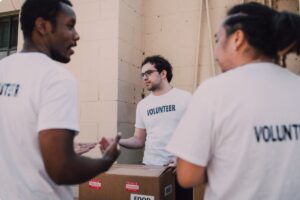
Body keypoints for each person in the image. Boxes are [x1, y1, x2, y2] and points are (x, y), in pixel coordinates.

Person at [166, 2, 300, 200]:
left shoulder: (214, 91)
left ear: (237, 38)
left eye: (218, 39)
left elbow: (187, 177)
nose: (216, 51)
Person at [0, 0, 120, 200]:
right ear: (43, 26)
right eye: (70, 25)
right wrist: (106, 161)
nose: (76, 35)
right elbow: (61, 168)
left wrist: (62, 148)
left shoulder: (3, 69)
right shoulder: (56, 78)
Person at [100, 55, 192, 199]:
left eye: (148, 73)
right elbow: (138, 140)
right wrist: (118, 141)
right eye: (142, 75)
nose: (144, 77)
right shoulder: (143, 105)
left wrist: (183, 158)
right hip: (150, 167)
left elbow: (196, 135)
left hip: (179, 169)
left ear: (163, 73)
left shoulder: (185, 98)